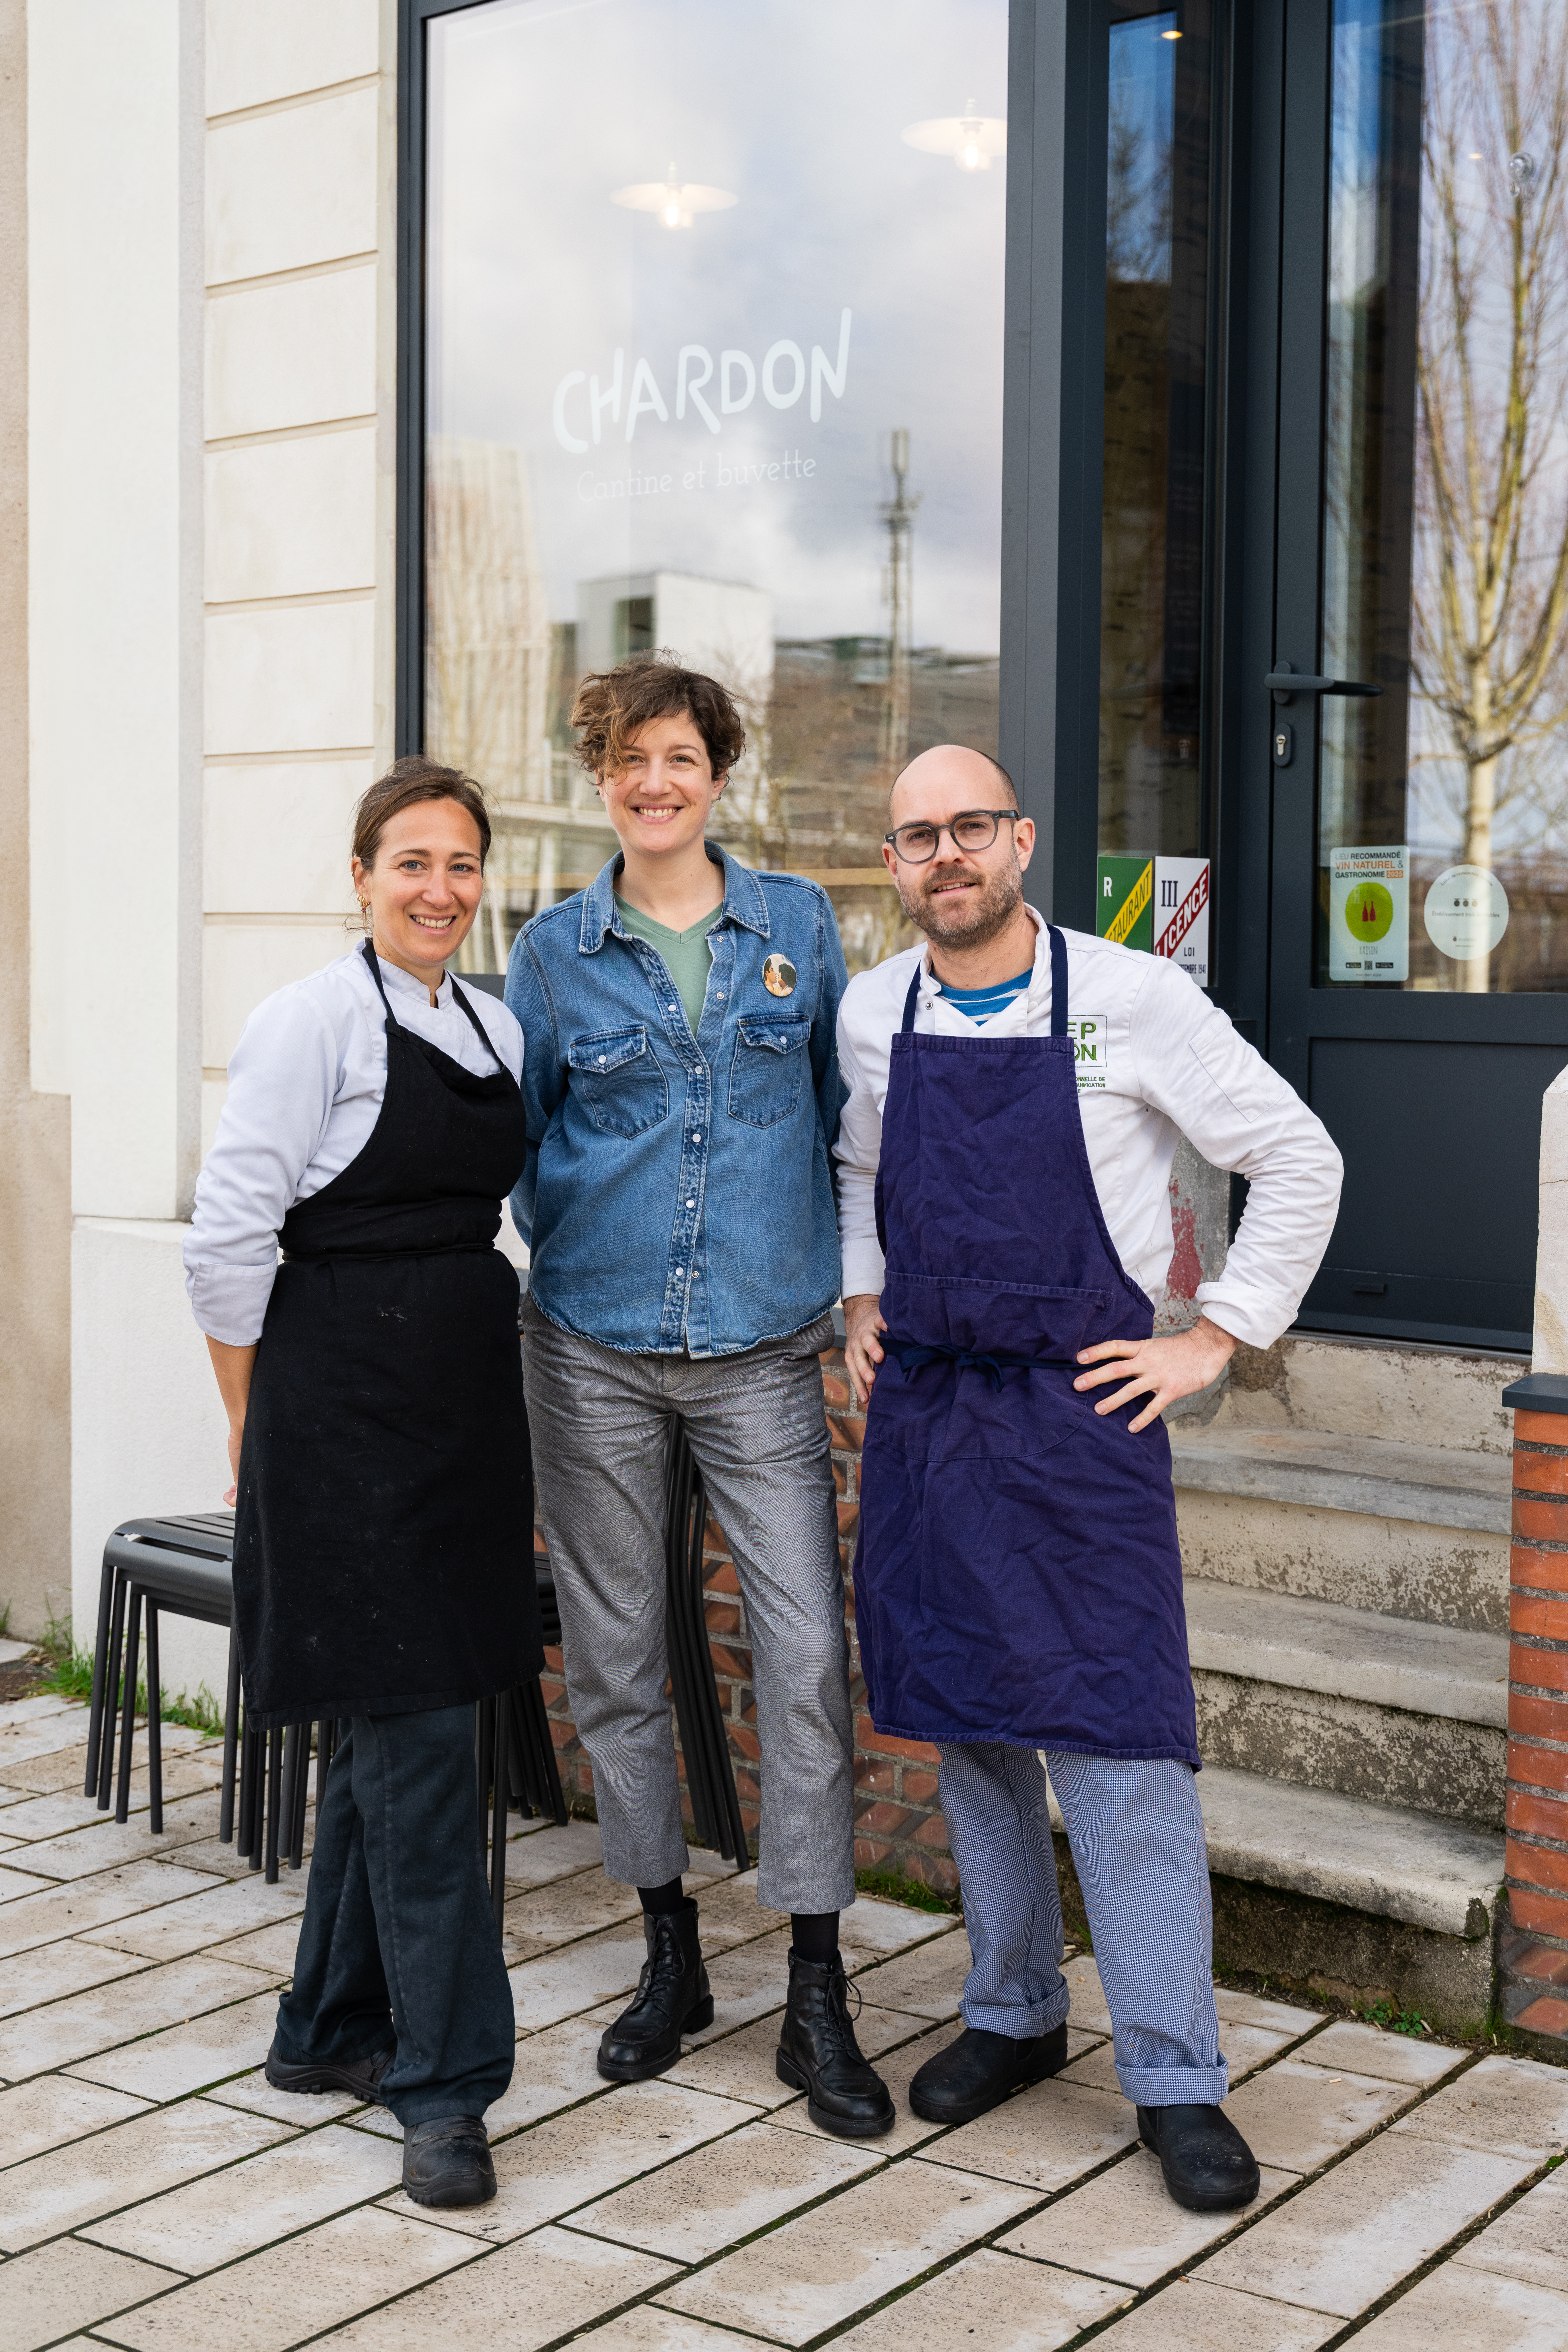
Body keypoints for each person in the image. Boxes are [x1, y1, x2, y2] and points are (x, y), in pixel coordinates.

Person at [837, 743, 1343, 2211]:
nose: (946, 854)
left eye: (971, 827)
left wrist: (1218, 1337)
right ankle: (1010, 2011)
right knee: (972, 1733)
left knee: (1122, 1751)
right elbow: (858, 1167)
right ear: (895, 862)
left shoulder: (1133, 995)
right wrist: (862, 1294)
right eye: (918, 835)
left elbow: (1296, 1157)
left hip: (1081, 1422)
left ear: (1020, 841)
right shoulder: (875, 1011)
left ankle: (1176, 2076)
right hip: (934, 1413)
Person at [506, 653, 893, 2139]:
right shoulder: (551, 953)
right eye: (628, 761)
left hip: (762, 1351)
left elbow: (843, 1124)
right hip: (589, 1347)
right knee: (612, 1655)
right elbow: (521, 1144)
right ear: (602, 780)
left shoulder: (797, 927)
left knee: (802, 1651)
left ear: (718, 774)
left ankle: (815, 1982)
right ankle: (668, 1946)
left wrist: (851, 1290)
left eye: (678, 757)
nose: (653, 783)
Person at [184, 757, 539, 2212]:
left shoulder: (498, 1027)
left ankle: (327, 2028)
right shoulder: (309, 1021)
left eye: (461, 864)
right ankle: (445, 2086)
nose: (439, 890)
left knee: (403, 1720)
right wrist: (248, 1422)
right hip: (337, 1412)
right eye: (412, 862)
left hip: (462, 1413)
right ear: (361, 876)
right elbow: (226, 1241)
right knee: (424, 1745)